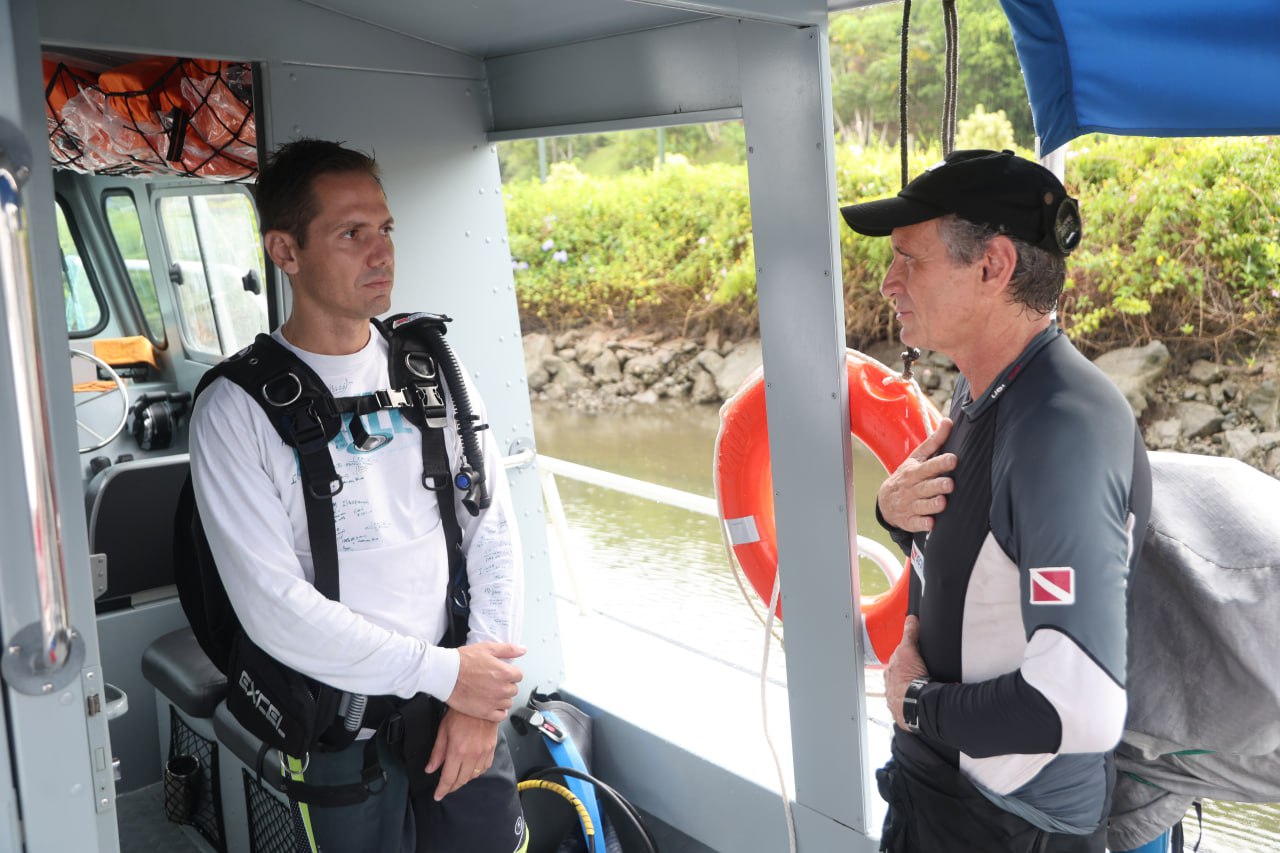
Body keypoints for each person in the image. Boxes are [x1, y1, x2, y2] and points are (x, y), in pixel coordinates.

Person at [189, 139, 528, 853]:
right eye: (352, 234)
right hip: (340, 729)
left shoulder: (432, 364)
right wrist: (452, 676)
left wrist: (481, 696)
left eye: (386, 230)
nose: (381, 253)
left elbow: (491, 527)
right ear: (287, 250)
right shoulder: (234, 409)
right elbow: (274, 608)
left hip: (458, 704)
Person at [840, 149, 1153, 853]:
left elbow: (1079, 705)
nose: (889, 281)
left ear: (993, 266)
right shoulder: (986, 388)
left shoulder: (1061, 428)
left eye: (909, 260)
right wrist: (897, 518)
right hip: (944, 794)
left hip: (1012, 826)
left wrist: (918, 705)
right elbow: (989, 560)